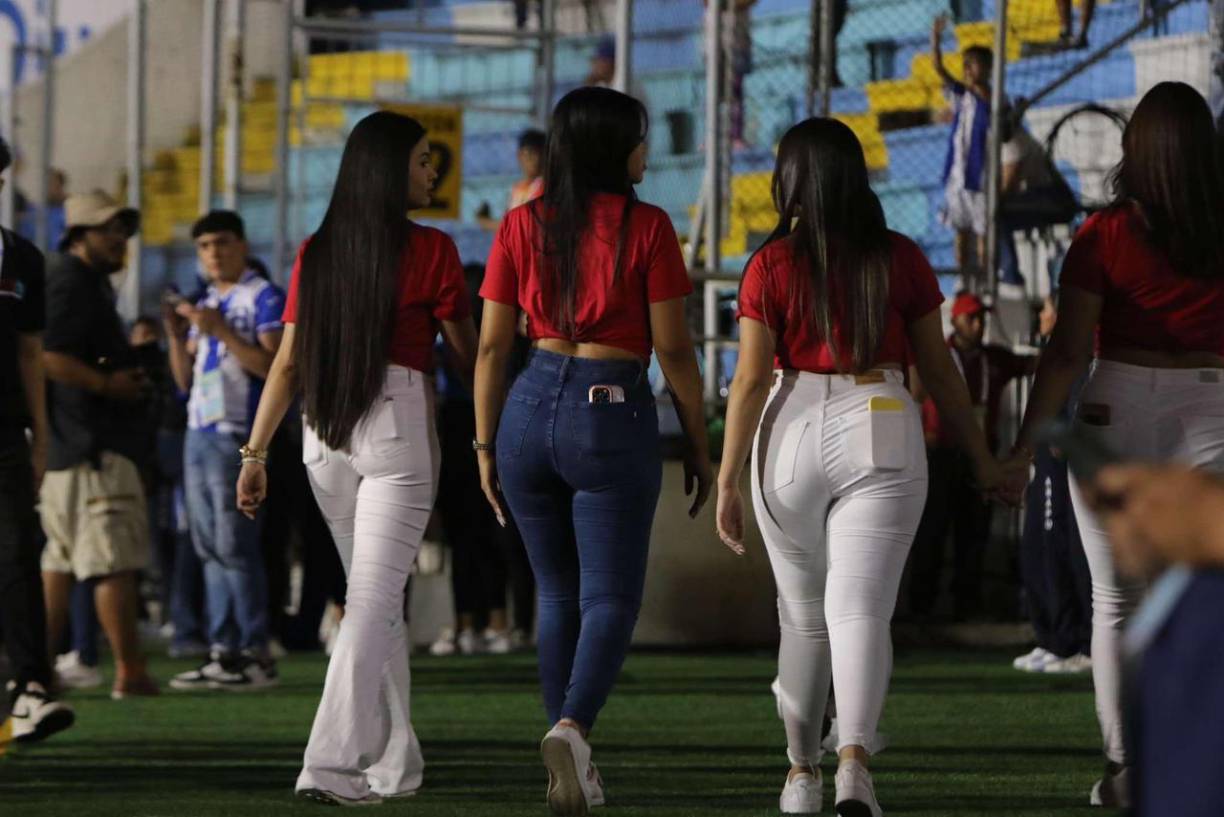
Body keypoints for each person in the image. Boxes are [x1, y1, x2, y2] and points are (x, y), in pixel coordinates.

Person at [714, 117, 1018, 817]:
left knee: (802, 618)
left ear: (787, 182)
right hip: (880, 414)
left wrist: (728, 478)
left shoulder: (769, 264)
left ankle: (800, 775)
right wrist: (982, 459)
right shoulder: (901, 257)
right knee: (860, 611)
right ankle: (855, 764)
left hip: (788, 423)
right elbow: (939, 371)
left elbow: (750, 381)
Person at [474, 86, 711, 816]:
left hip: (526, 402)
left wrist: (484, 444)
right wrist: (703, 443)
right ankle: (572, 728)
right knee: (610, 595)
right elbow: (673, 348)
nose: (647, 151)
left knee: (556, 591)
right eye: (639, 139)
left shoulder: (518, 224)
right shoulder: (649, 226)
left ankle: (568, 751)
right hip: (609, 408)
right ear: (613, 147)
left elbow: (490, 345)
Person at [236, 111, 478, 806]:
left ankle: (396, 761)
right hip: (395, 423)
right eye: (425, 159)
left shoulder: (318, 248)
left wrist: (254, 452)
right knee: (375, 599)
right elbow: (468, 354)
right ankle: (330, 763)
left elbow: (285, 365)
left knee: (375, 601)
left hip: (323, 431)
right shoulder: (431, 249)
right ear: (391, 168)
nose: (434, 170)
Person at [1009, 81, 1224, 809]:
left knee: (1115, 604)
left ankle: (1129, 764)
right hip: (1214, 407)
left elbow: (1067, 351)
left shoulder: (1103, 234)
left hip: (1114, 407)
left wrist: (1022, 442)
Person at [40, 190, 158, 701]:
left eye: (124, 229)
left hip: (66, 447)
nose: (120, 239)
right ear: (81, 233)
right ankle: (130, 671)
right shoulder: (72, 280)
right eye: (109, 228)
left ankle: (34, 670)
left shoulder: (74, 279)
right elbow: (49, 356)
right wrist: (109, 384)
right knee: (112, 561)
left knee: (59, 562)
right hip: (92, 446)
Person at [164, 210, 284, 691]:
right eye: (204, 246)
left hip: (238, 431)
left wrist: (222, 333)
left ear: (242, 244)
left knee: (235, 545)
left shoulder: (263, 295)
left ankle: (254, 650)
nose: (213, 254)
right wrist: (178, 337)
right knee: (208, 546)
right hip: (199, 428)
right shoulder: (207, 300)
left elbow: (276, 369)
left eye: (221, 243)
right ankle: (222, 649)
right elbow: (184, 382)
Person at [0, 135, 75, 742]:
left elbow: (30, 352)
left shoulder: (21, 257)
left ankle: (30, 686)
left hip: (5, 433)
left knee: (19, 554)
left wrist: (40, 434)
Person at [907, 292, 1034, 621]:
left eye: (981, 318)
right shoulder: (936, 356)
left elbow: (1037, 364)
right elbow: (915, 391)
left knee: (974, 531)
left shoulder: (994, 359)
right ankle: (921, 608)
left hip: (981, 453)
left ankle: (967, 607)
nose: (978, 325)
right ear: (955, 320)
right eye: (971, 318)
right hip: (941, 453)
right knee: (931, 530)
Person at [1013, 295, 1092, 674]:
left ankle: (1070, 640)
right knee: (1039, 545)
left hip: (1062, 460)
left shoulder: (1075, 351)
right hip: (1047, 456)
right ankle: (1053, 637)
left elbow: (1074, 396)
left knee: (1060, 545)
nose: (1041, 317)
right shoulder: (1056, 351)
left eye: (1046, 310)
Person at [932, 15, 994, 289]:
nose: (967, 69)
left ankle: (985, 279)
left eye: (973, 64)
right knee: (961, 231)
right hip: (957, 177)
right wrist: (935, 39)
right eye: (965, 64)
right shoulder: (962, 97)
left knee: (982, 232)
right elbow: (939, 69)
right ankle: (963, 280)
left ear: (988, 68)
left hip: (979, 178)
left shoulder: (990, 98)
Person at [476, 129, 546, 232]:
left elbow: (519, 226)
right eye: (530, 153)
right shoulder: (517, 189)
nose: (536, 159)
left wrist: (486, 223)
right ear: (519, 155)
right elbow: (509, 224)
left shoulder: (542, 186)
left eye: (539, 154)